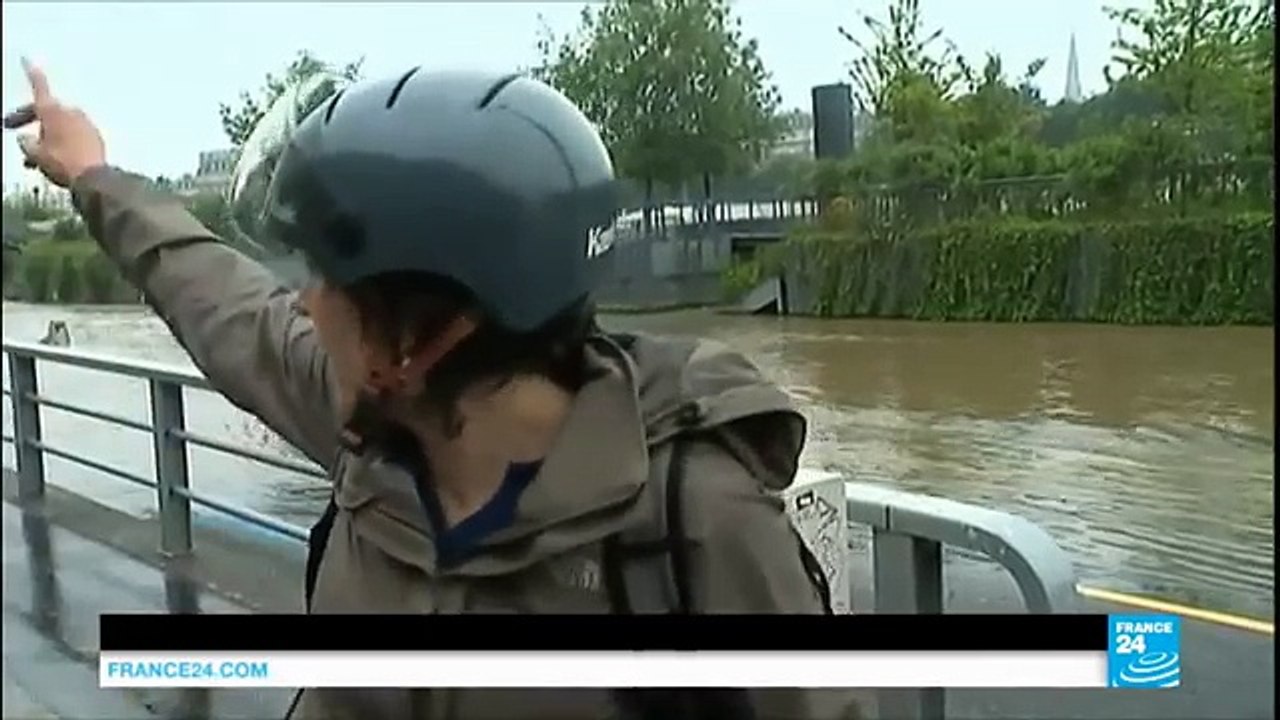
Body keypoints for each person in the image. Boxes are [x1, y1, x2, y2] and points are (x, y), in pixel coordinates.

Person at [9, 58, 864, 720]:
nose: (301, 304)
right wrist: (93, 176)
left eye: (326, 284)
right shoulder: (371, 432)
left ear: (419, 343)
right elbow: (218, 298)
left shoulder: (697, 521)